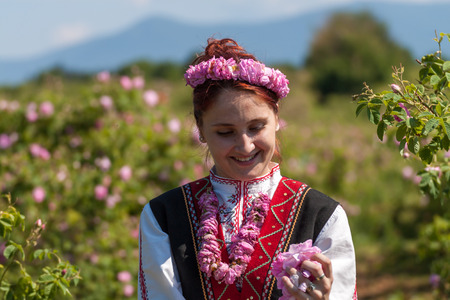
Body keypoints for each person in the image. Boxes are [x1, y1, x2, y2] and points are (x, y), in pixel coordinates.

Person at [139, 38, 357, 300]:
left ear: (276, 118)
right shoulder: (163, 215)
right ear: (201, 129)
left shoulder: (322, 215)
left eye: (256, 128)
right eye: (225, 132)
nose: (244, 146)